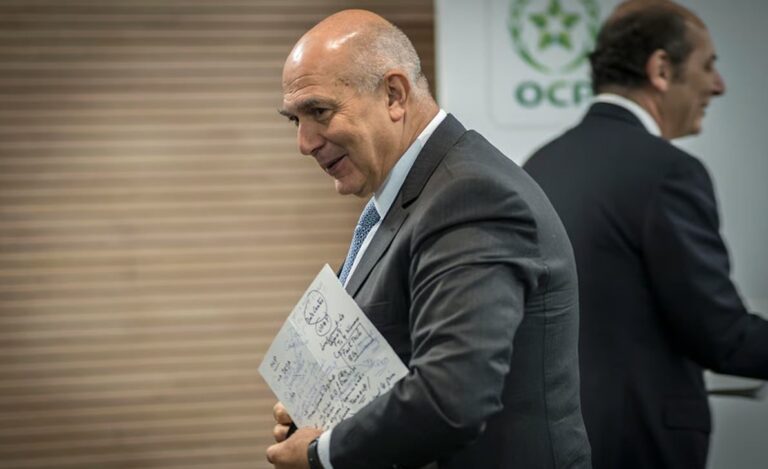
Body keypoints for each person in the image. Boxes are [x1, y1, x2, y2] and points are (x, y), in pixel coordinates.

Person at [265, 9, 591, 469]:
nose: (305, 142)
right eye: (294, 120)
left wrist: (325, 451)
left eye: (319, 112)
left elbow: (451, 396)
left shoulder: (470, 197)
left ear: (394, 95)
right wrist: (316, 415)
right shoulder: (412, 194)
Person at [523, 1, 768, 468]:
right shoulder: (670, 172)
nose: (718, 85)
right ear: (661, 69)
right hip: (639, 445)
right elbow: (722, 336)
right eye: (708, 65)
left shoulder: (539, 165)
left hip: (554, 444)